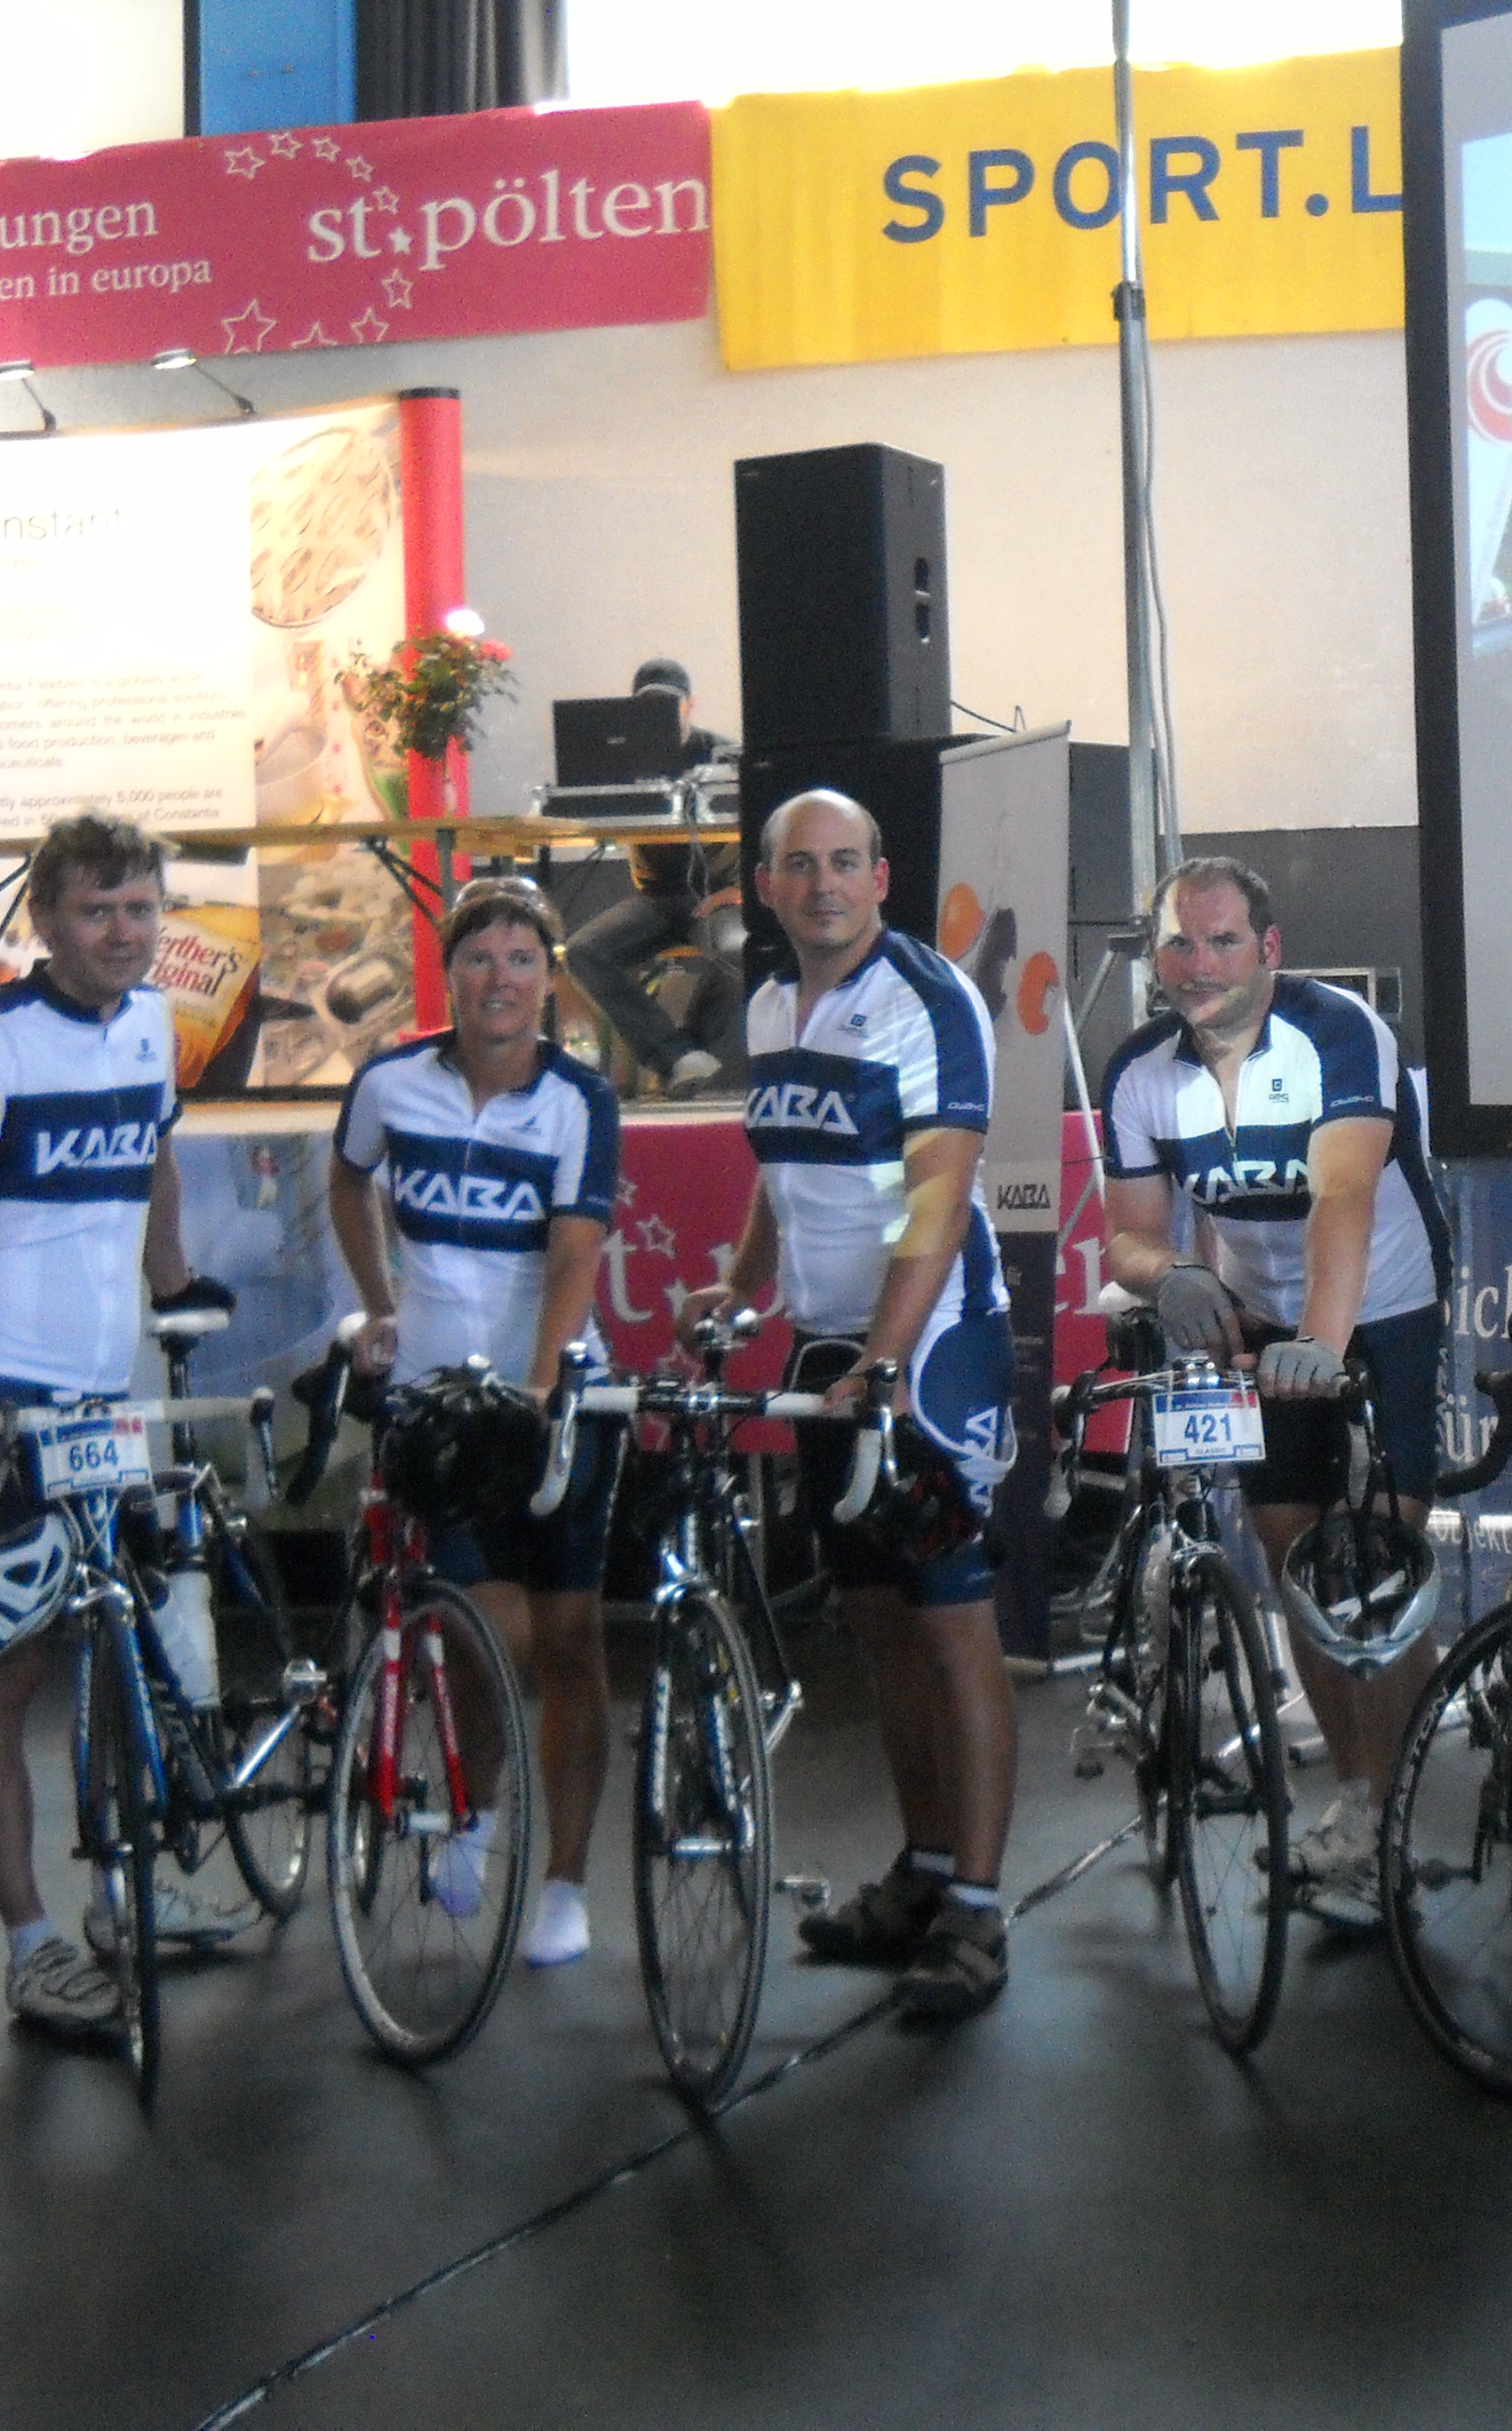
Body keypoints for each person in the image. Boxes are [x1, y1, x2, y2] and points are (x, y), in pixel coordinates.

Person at [0, 815, 232, 2041]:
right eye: (97, 910)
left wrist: (174, 1285)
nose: (124, 932)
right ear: (44, 918)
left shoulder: (152, 1023)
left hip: (105, 1389)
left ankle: (119, 1895)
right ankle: (32, 1947)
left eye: (141, 908)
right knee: (9, 1667)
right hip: (9, 1391)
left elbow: (154, 1160)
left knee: (119, 1634)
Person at [690, 789, 1021, 2018]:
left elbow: (940, 1195)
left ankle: (978, 1910)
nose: (823, 883)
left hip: (929, 1349)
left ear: (881, 879)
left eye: (845, 863)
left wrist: (882, 1359)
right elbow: (781, 1169)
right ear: (767, 886)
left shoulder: (930, 999)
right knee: (877, 1617)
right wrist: (740, 1284)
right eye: (800, 864)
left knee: (950, 1621)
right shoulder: (772, 1004)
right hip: (827, 1344)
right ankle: (924, 1870)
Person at [1098, 856, 1452, 1927]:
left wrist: (1324, 1345)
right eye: (1179, 943)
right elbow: (1128, 1235)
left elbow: (1343, 1198)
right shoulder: (1139, 1070)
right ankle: (1355, 1798)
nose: (1199, 964)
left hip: (1379, 1308)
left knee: (1377, 1564)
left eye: (1223, 941)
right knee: (1296, 1561)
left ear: (1270, 949)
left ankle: (1396, 1815)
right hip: (1260, 1315)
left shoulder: (1337, 1032)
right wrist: (1172, 1275)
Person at [329, 877, 624, 1970]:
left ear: (549, 979)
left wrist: (539, 1392)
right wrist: (380, 1303)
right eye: (480, 958)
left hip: (553, 1403)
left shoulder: (579, 1100)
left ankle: (565, 1884)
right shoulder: (390, 1081)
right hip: (436, 1407)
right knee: (478, 1632)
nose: (500, 978)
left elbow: (575, 1252)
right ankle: (479, 1809)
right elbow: (347, 1180)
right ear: (448, 972)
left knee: (570, 1641)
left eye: (521, 960)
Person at [564, 657, 740, 1100]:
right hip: (656, 898)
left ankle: (685, 1055)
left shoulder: (722, 755)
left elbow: (764, 822)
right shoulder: (621, 758)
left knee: (739, 951)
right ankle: (678, 1058)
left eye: (670, 706)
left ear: (690, 706)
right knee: (584, 951)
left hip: (717, 894)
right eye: (649, 709)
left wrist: (738, 892)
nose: (661, 717)